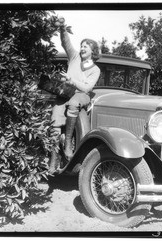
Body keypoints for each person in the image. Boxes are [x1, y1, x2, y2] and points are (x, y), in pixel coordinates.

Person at [49, 18, 100, 174]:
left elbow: (87, 87)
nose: (82, 48)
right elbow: (66, 43)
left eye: (86, 46)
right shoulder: (74, 57)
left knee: (74, 104)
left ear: (93, 51)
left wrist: (72, 80)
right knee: (55, 124)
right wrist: (63, 28)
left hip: (81, 95)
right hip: (65, 93)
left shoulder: (95, 69)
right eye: (82, 45)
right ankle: (53, 160)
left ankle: (68, 144)